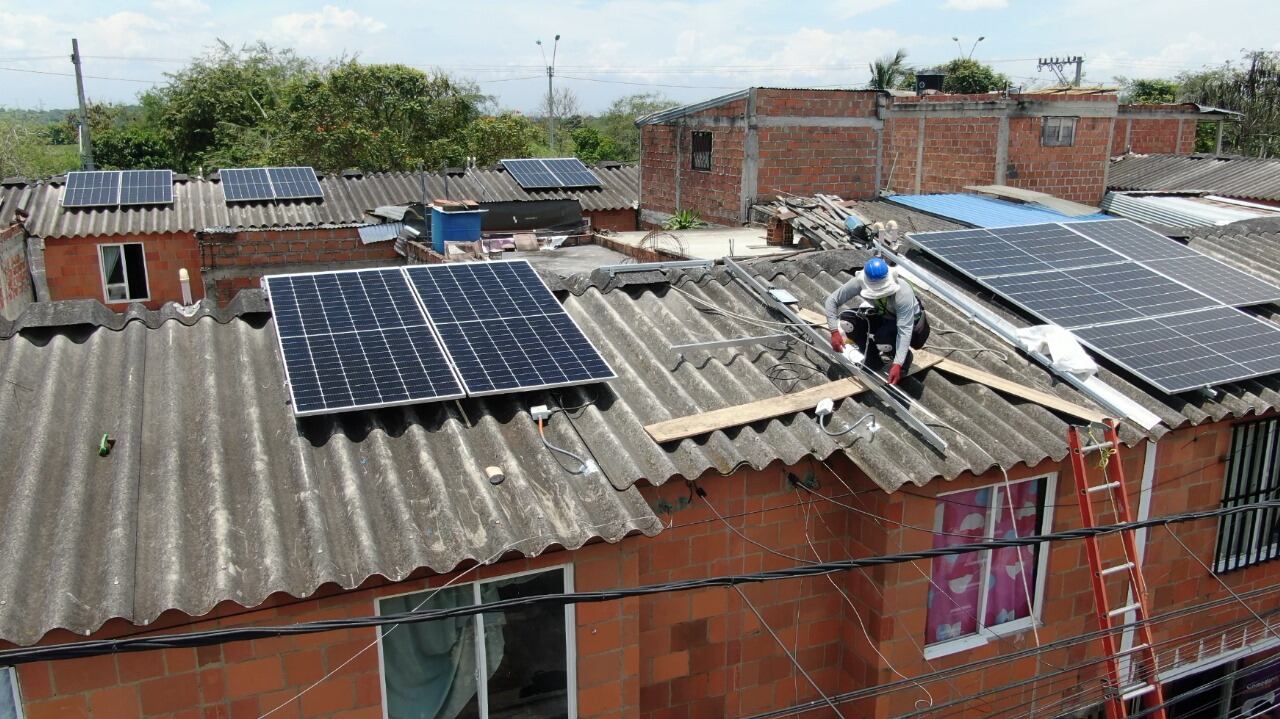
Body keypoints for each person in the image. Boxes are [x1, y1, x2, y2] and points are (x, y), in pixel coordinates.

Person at [824, 257, 930, 385]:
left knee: (883, 338)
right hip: (884, 316)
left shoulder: (902, 292)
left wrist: (897, 363)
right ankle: (873, 361)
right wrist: (834, 331)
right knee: (848, 321)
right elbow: (832, 300)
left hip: (911, 327)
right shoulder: (860, 280)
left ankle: (905, 359)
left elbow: (905, 330)